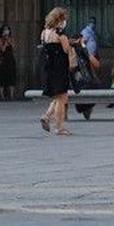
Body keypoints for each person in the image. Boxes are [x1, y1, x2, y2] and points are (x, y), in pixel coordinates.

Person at [38, 8, 76, 136]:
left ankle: (46, 116)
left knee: (58, 96)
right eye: (64, 18)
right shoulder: (60, 34)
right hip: (60, 68)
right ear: (59, 19)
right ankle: (59, 128)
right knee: (62, 97)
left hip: (48, 68)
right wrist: (71, 44)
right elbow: (66, 50)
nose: (65, 21)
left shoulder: (44, 33)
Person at [0, 25, 18, 101]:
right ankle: (2, 95)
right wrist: (5, 42)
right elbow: (2, 49)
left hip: (10, 59)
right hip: (3, 59)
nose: (6, 31)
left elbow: (14, 47)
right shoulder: (0, 39)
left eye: (7, 29)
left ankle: (11, 95)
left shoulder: (11, 39)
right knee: (2, 77)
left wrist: (9, 41)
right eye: (5, 30)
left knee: (11, 76)